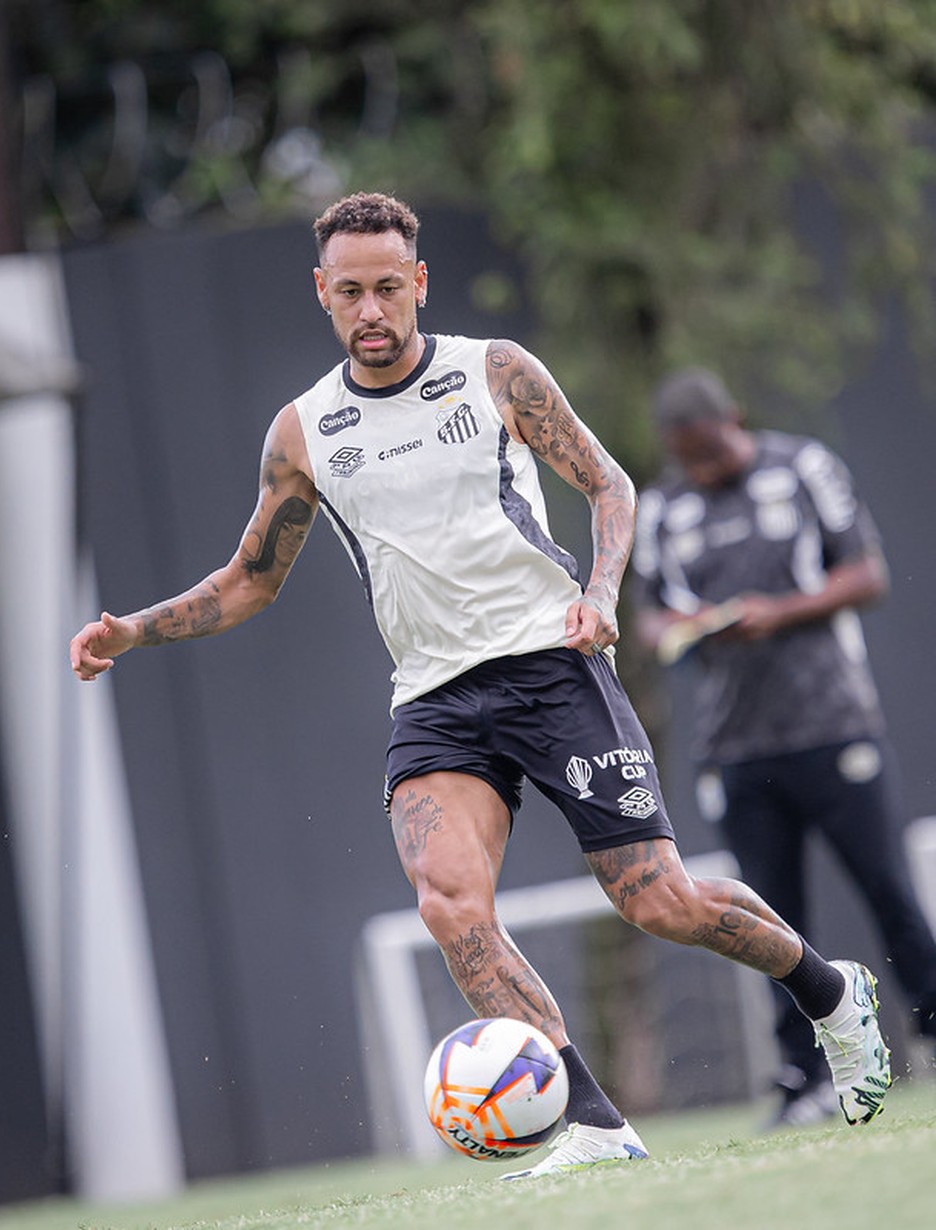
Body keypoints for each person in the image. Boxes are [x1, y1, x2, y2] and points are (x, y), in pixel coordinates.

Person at [70, 194, 891, 1177]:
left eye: (386, 287)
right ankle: (592, 1122)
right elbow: (251, 579)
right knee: (448, 902)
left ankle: (832, 994)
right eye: (349, 292)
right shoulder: (304, 432)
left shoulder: (492, 371)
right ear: (322, 295)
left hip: (551, 666)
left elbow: (610, 484)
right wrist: (132, 632)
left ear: (416, 283)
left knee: (659, 903)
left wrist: (600, 593)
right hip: (433, 700)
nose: (370, 310)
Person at [629, 366, 936, 1129]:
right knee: (770, 922)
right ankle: (805, 1078)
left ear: (733, 417)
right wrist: (689, 628)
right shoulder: (662, 507)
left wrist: (781, 612)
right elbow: (649, 619)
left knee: (890, 891)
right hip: (735, 748)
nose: (703, 468)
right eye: (687, 457)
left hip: (833, 725)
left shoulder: (802, 467)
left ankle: (931, 1030)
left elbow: (867, 573)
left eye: (712, 451)